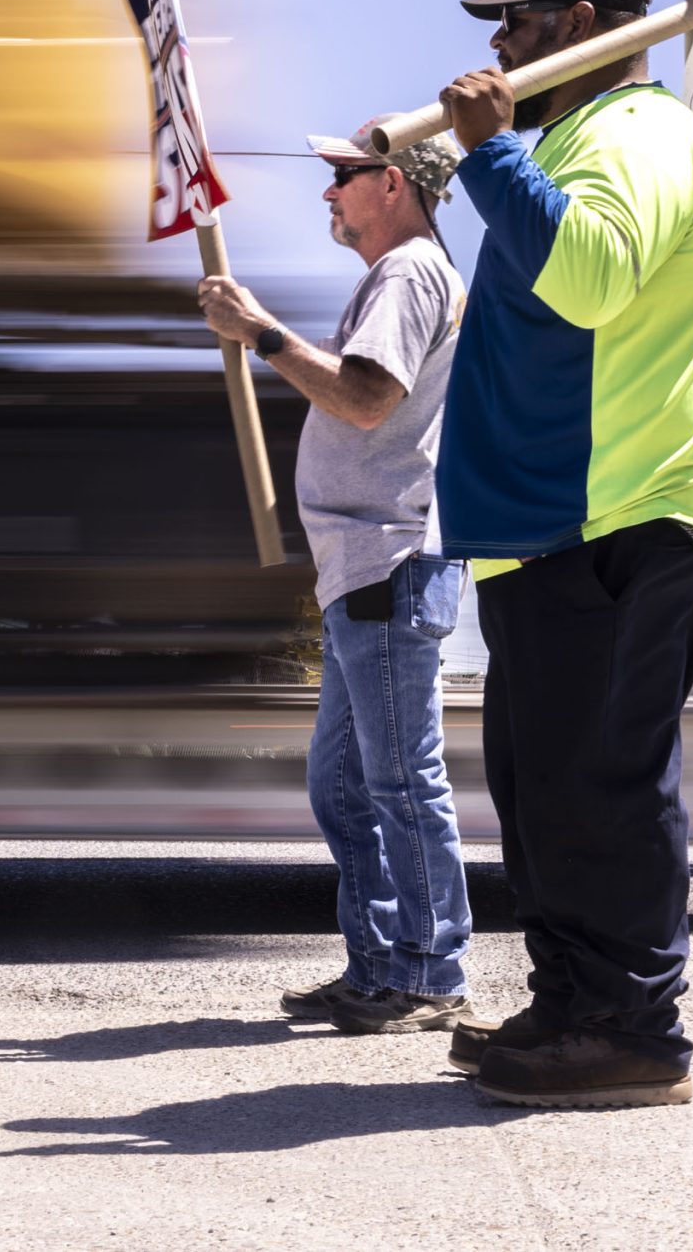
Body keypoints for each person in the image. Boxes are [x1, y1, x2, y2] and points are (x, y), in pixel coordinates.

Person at [429, 0, 693, 1108]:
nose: (496, 42)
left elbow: (593, 276)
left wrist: (488, 152)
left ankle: (632, 1031)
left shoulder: (638, 133)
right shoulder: (567, 142)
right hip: (548, 528)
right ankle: (571, 1002)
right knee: (543, 792)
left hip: (626, 514)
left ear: (574, 23)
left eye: (511, 20)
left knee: (600, 790)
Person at [196, 123, 476, 1035]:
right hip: (367, 567)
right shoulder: (402, 275)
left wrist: (261, 331)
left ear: (393, 183)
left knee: (399, 781)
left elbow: (363, 397)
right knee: (346, 786)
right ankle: (380, 966)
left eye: (343, 175)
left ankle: (429, 975)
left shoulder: (409, 272)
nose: (328, 191)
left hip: (388, 559)